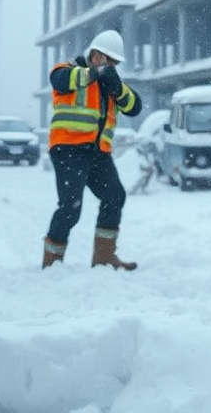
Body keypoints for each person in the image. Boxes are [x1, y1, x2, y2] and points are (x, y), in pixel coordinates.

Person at [42, 29, 143, 270]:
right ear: (96, 55)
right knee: (70, 208)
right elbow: (60, 81)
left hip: (98, 153)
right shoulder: (66, 70)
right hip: (68, 149)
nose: (113, 66)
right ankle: (52, 262)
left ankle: (105, 258)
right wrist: (93, 74)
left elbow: (135, 107)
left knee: (115, 196)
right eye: (109, 61)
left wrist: (118, 89)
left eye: (116, 63)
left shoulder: (112, 82)